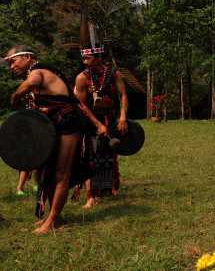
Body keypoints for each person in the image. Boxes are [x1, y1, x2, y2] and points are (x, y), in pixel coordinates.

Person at [5, 44, 92, 234]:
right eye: (8, 64)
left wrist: (15, 97)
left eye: (13, 61)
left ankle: (53, 220)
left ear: (27, 57)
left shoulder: (38, 70)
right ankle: (54, 216)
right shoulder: (42, 72)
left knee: (61, 172)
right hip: (55, 124)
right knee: (50, 172)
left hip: (69, 122)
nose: (11, 66)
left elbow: (30, 83)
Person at [74, 45, 128, 208]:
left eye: (88, 58)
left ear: (99, 57)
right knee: (93, 157)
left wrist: (123, 118)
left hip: (110, 120)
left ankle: (103, 191)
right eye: (83, 59)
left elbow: (123, 95)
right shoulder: (82, 78)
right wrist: (97, 124)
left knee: (108, 156)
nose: (85, 62)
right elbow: (81, 104)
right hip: (91, 122)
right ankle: (91, 196)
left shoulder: (114, 73)